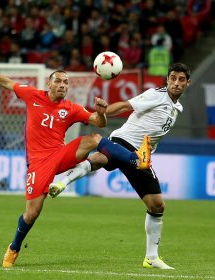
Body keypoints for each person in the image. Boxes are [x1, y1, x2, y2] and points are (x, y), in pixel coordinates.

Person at [0, 59, 152, 268]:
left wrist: (101, 112)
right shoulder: (33, 95)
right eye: (59, 81)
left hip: (60, 154)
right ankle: (14, 247)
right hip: (38, 163)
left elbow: (98, 122)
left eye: (66, 83)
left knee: (95, 139)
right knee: (32, 212)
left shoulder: (71, 108)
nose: (63, 85)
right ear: (49, 84)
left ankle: (137, 159)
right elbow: (5, 82)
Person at [49, 63, 191, 270]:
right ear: (167, 80)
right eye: (172, 78)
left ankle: (151, 258)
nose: (176, 83)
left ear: (188, 82)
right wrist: (102, 112)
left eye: (181, 79)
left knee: (157, 205)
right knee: (100, 159)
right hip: (125, 143)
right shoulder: (156, 95)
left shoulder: (177, 106)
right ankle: (62, 182)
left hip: (140, 155)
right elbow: (126, 106)